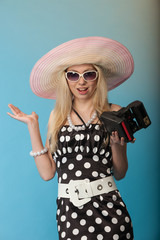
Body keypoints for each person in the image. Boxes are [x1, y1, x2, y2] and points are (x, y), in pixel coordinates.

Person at [8, 36, 134, 240]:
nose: (81, 81)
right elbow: (48, 173)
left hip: (110, 209)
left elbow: (120, 173)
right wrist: (32, 126)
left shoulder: (113, 112)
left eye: (89, 74)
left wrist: (118, 147)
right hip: (70, 213)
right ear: (65, 79)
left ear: (98, 78)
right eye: (73, 75)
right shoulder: (57, 116)